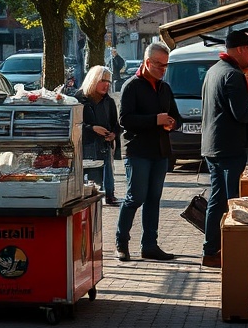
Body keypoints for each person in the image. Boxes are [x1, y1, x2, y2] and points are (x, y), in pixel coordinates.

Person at [200, 29, 248, 268]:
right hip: (229, 147)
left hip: (212, 146)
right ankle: (231, 251)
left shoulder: (213, 71)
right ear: (240, 49)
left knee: (217, 200)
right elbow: (240, 113)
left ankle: (210, 250)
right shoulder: (233, 74)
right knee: (232, 201)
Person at [116, 41, 182, 261]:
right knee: (135, 197)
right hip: (138, 151)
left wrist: (171, 124)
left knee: (154, 199)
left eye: (166, 66)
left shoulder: (165, 88)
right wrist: (155, 120)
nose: (163, 70)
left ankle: (150, 245)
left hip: (160, 151)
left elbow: (176, 117)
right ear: (147, 62)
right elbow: (125, 120)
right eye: (159, 65)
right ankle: (121, 242)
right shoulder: (132, 86)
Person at [78, 65, 122, 206]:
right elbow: (74, 125)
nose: (106, 85)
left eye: (109, 82)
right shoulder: (79, 99)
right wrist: (92, 128)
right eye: (103, 80)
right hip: (87, 144)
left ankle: (109, 195)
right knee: (91, 175)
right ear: (93, 79)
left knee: (107, 171)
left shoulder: (109, 101)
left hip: (105, 144)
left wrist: (113, 134)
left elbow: (116, 123)